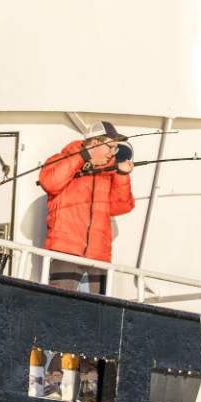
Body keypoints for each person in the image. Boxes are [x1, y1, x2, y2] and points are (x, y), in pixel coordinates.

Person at [38, 123, 137, 292]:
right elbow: (50, 182)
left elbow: (121, 207)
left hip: (99, 258)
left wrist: (122, 176)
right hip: (65, 254)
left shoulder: (111, 170)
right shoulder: (62, 158)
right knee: (61, 308)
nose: (113, 153)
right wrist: (82, 157)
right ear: (94, 143)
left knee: (96, 314)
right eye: (111, 147)